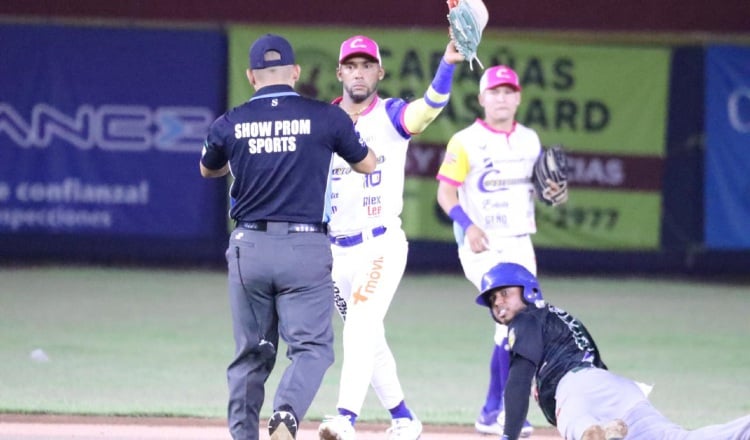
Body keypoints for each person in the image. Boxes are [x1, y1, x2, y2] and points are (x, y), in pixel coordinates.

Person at [199, 33, 376, 440]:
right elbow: (366, 164)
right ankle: (286, 414)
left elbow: (209, 169)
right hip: (305, 247)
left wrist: (251, 155)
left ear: (250, 76)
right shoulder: (327, 117)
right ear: (296, 73)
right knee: (312, 348)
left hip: (249, 248)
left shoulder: (231, 121)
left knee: (251, 355)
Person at [316, 35, 464, 440]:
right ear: (340, 72)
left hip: (380, 243)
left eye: (367, 65)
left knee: (360, 327)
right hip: (335, 252)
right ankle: (404, 418)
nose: (359, 72)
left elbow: (429, 109)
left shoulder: (392, 114)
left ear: (379, 72)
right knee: (370, 337)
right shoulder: (322, 121)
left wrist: (448, 63)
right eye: (352, 65)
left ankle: (345, 418)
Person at [475, 261, 750, 440]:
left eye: (504, 293)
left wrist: (508, 437)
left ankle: (590, 431)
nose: (498, 302)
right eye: (492, 299)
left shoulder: (525, 320)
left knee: (574, 421)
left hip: (575, 387)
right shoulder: (554, 317)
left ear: (528, 291)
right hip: (617, 389)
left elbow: (519, 381)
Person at [436, 65, 566, 436]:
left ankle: (492, 410)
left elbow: (539, 188)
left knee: (519, 327)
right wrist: (468, 224)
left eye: (508, 91)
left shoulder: (529, 139)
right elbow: (446, 193)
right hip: (483, 245)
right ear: (481, 98)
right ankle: (504, 412)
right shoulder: (464, 141)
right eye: (494, 92)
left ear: (519, 97)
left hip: (520, 242)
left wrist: (550, 193)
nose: (502, 98)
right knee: (514, 316)